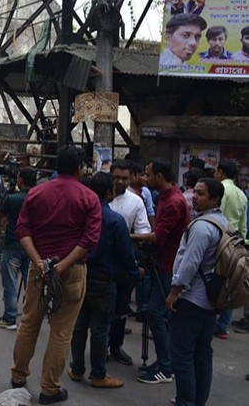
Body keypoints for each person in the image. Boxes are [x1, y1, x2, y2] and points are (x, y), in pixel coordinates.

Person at [10, 145, 101, 404]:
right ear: (79, 168)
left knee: (29, 323)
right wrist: (63, 265)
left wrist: (38, 261)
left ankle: (18, 376)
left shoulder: (36, 193)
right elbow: (89, 239)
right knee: (61, 332)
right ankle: (49, 389)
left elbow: (22, 229)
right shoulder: (88, 197)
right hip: (70, 271)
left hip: (39, 270)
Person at [69, 172, 140, 389]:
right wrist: (135, 273)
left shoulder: (81, 215)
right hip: (105, 279)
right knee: (100, 327)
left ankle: (77, 368)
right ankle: (98, 373)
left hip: (81, 273)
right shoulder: (115, 220)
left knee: (80, 323)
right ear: (109, 193)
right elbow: (126, 254)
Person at [167, 178, 229, 406]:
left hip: (192, 299)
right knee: (202, 353)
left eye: (201, 194)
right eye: (195, 192)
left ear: (215, 199)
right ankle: (197, 400)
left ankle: (186, 401)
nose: (195, 197)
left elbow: (189, 263)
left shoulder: (202, 227)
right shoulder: (223, 223)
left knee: (182, 354)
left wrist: (175, 291)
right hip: (211, 300)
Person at [139, 158, 190, 385]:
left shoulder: (172, 202)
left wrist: (128, 235)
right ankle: (164, 361)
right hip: (163, 263)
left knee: (155, 313)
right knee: (157, 314)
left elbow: (158, 236)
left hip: (169, 266)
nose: (145, 178)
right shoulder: (166, 198)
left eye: (148, 174)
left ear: (159, 176)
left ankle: (166, 367)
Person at [107, 160, 154, 366]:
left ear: (131, 178)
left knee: (121, 307)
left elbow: (144, 231)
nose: (120, 181)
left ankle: (115, 346)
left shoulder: (135, 202)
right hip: (98, 261)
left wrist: (125, 236)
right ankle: (95, 348)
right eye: (116, 177)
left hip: (123, 262)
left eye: (124, 178)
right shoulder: (97, 197)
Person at [0, 167, 36, 330]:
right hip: (33, 246)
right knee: (31, 282)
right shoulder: (39, 199)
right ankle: (33, 315)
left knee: (10, 282)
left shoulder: (12, 199)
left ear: (21, 180)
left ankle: (9, 316)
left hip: (13, 243)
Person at [211, 159, 248, 339]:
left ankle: (211, 322)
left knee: (215, 280)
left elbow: (219, 214)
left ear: (221, 173)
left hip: (221, 239)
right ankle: (222, 326)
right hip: (236, 241)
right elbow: (243, 224)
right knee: (230, 282)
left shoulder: (221, 190)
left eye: (216, 171)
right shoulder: (242, 194)